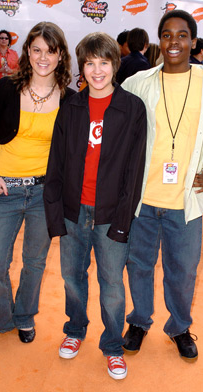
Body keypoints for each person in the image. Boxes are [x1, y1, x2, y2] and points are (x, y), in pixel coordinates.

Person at [120, 10, 203, 362]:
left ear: (193, 42)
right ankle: (138, 321)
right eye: (167, 35)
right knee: (138, 266)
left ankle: (179, 327)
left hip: (186, 202)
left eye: (182, 35)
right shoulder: (138, 83)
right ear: (159, 41)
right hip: (142, 201)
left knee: (181, 273)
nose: (174, 42)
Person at [43, 32, 147, 380]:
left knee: (112, 286)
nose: (97, 70)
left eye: (104, 62)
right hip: (73, 211)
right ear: (82, 67)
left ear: (115, 64)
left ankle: (113, 347)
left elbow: (134, 170)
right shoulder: (70, 107)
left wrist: (122, 220)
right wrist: (55, 215)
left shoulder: (132, 108)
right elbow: (55, 164)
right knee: (72, 277)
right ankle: (74, 329)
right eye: (90, 63)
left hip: (110, 215)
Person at [0, 22, 74, 344]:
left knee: (34, 263)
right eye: (37, 50)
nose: (43, 57)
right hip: (5, 190)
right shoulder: (7, 89)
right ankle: (0, 319)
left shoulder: (70, 99)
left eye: (50, 51)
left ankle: (23, 317)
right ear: (28, 52)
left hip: (43, 194)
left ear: (60, 55)